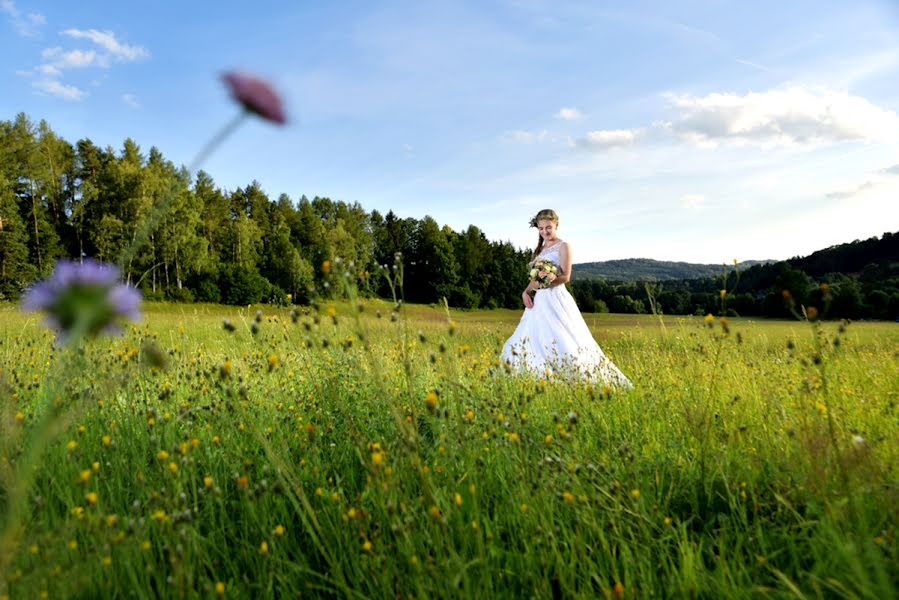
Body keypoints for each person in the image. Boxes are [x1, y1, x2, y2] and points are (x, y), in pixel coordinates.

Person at [500, 209, 633, 388]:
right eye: (541, 228)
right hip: (540, 301)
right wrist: (526, 292)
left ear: (556, 225)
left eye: (548, 227)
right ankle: (535, 379)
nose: (545, 232)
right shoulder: (540, 249)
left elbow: (565, 276)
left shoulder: (564, 246)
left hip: (556, 298)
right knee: (531, 337)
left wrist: (546, 283)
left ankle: (575, 378)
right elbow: (536, 278)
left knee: (562, 338)